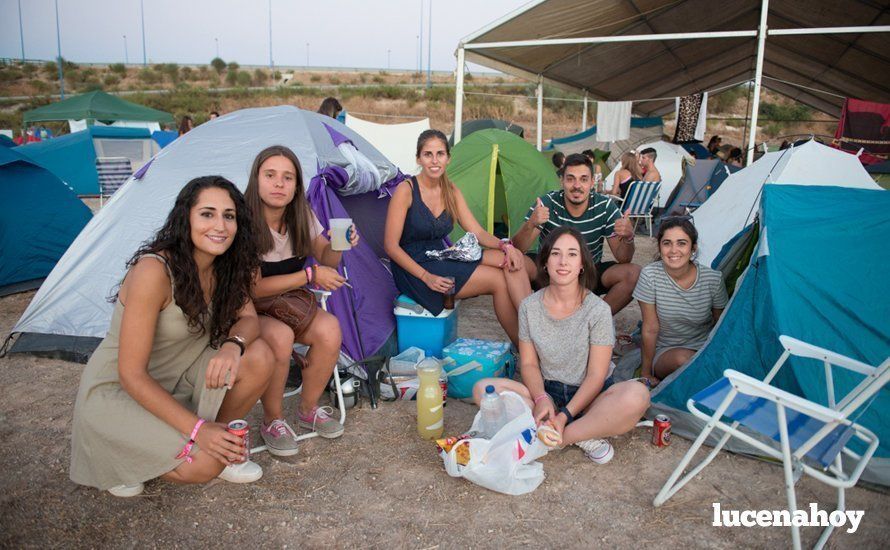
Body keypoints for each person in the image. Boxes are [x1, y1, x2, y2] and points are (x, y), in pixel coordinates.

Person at [70, 176, 276, 498]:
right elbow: (131, 375)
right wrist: (198, 430)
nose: (219, 225)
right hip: (121, 389)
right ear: (186, 218)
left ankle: (219, 443)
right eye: (207, 213)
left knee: (259, 355)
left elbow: (249, 319)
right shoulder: (154, 271)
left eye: (229, 215)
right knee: (203, 465)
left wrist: (232, 347)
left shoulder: (225, 266)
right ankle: (126, 456)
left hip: (180, 378)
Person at [472, 227, 650, 463]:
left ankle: (562, 434)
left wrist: (565, 415)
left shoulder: (598, 310)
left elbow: (597, 375)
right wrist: (541, 399)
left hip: (590, 397)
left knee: (637, 395)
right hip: (547, 393)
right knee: (483, 390)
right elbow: (528, 363)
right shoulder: (529, 307)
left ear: (582, 265)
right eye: (555, 254)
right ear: (545, 262)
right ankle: (576, 429)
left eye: (572, 254)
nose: (563, 261)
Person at [245, 145, 358, 455]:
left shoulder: (300, 214)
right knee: (280, 338)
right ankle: (272, 420)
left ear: (296, 185)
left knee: (330, 329)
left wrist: (341, 243)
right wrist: (309, 277)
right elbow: (253, 290)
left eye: (288, 177)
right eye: (270, 175)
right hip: (248, 307)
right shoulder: (243, 222)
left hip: (287, 299)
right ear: (256, 179)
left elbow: (327, 259)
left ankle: (308, 410)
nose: (279, 184)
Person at [384, 129, 532, 344]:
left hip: (440, 256)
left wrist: (505, 245)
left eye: (440, 154)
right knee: (497, 281)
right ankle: (524, 347)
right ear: (418, 158)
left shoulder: (451, 191)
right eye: (428, 154)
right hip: (414, 269)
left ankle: (534, 324)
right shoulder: (405, 190)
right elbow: (390, 246)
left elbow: (478, 232)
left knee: (508, 259)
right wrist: (426, 277)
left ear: (448, 158)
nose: (435, 161)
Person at [512, 153, 640, 316]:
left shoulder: (604, 206)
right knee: (514, 262)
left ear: (592, 182)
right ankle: (534, 321)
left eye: (584, 179)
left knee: (634, 274)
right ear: (562, 181)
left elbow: (624, 259)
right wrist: (531, 224)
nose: (577, 185)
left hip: (587, 273)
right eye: (571, 178)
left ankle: (590, 321)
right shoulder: (547, 203)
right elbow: (517, 248)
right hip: (548, 271)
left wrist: (628, 237)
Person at [634, 217, 728, 387]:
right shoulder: (650, 276)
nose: (673, 250)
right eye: (667, 243)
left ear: (693, 248)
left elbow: (721, 325)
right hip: (667, 350)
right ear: (660, 247)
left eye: (682, 243)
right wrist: (646, 373)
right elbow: (650, 328)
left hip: (705, 347)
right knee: (684, 360)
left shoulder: (712, 279)